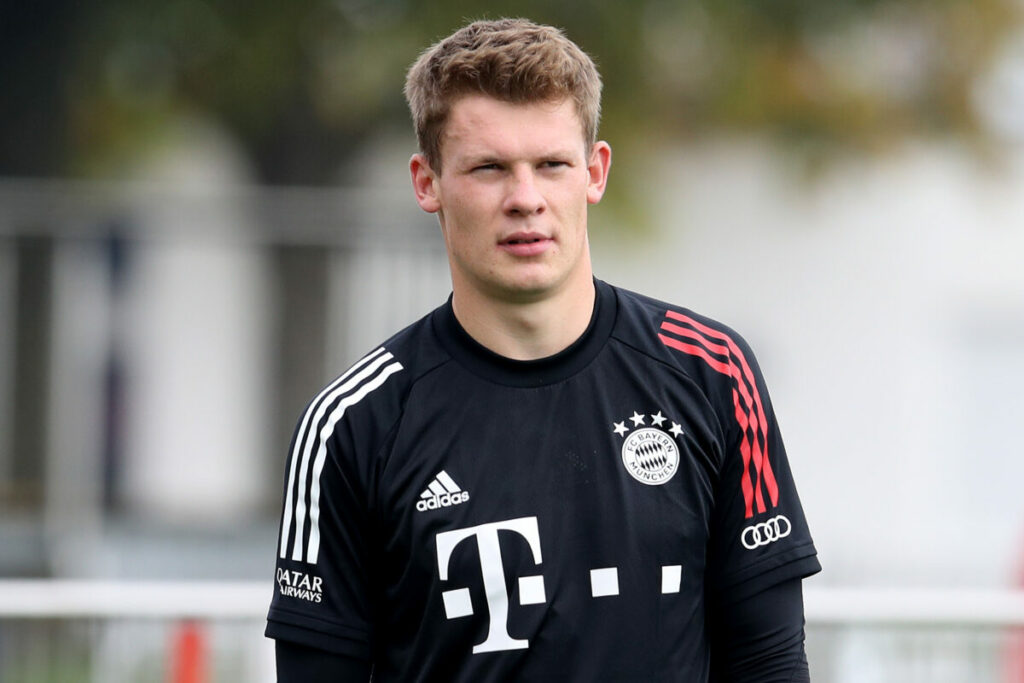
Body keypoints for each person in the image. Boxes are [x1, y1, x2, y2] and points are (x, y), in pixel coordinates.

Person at [266, 17, 820, 682]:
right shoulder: (352, 425)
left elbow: (769, 661)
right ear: (427, 182)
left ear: (595, 171)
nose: (525, 199)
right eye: (489, 168)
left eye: (551, 165)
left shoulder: (711, 372)